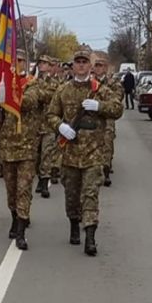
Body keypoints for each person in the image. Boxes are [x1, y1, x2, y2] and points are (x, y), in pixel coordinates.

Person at [48, 47, 124, 256]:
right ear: (73, 66)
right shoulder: (63, 90)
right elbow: (51, 114)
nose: (81, 65)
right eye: (77, 62)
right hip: (70, 154)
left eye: (84, 62)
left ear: (90, 66)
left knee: (90, 195)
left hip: (93, 154)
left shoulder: (99, 90)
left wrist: (99, 106)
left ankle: (90, 236)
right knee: (71, 196)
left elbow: (118, 109)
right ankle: (74, 223)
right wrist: (60, 126)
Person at [0, 50, 45, 250]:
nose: (18, 64)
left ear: (27, 63)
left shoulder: (33, 84)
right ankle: (14, 216)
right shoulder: (3, 83)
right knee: (11, 190)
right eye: (15, 61)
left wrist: (8, 93)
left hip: (26, 147)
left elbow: (29, 102)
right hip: (8, 146)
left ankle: (21, 230)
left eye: (21, 61)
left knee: (24, 188)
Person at [93, 57, 124, 187]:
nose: (98, 68)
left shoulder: (112, 83)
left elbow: (116, 99)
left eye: (101, 66)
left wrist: (102, 105)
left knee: (107, 141)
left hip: (107, 117)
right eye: (96, 66)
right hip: (93, 118)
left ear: (105, 68)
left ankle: (106, 169)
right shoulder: (90, 82)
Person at [34, 55, 61, 198]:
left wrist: (36, 94)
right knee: (36, 155)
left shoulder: (55, 83)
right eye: (40, 63)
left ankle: (45, 182)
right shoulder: (33, 81)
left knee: (46, 153)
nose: (42, 65)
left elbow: (51, 97)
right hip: (34, 125)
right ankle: (39, 178)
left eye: (45, 63)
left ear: (50, 66)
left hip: (49, 125)